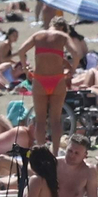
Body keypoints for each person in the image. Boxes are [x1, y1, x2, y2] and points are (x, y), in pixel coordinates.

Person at [15, 20, 75, 150]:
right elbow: (76, 53)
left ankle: (42, 151)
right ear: (62, 28)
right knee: (56, 120)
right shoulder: (63, 37)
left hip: (40, 80)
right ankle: (55, 153)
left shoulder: (38, 35)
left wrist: (25, 68)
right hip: (57, 80)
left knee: (40, 120)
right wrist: (71, 70)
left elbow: (21, 50)